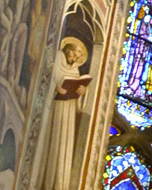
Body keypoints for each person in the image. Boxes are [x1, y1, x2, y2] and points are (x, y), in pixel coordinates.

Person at [39, 38, 90, 190]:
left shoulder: (75, 70)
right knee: (51, 140)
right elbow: (44, 78)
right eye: (74, 54)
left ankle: (59, 183)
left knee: (63, 144)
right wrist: (55, 87)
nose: (74, 58)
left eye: (77, 57)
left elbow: (79, 101)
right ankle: (45, 180)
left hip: (68, 110)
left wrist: (82, 91)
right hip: (53, 108)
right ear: (68, 49)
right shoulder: (55, 60)